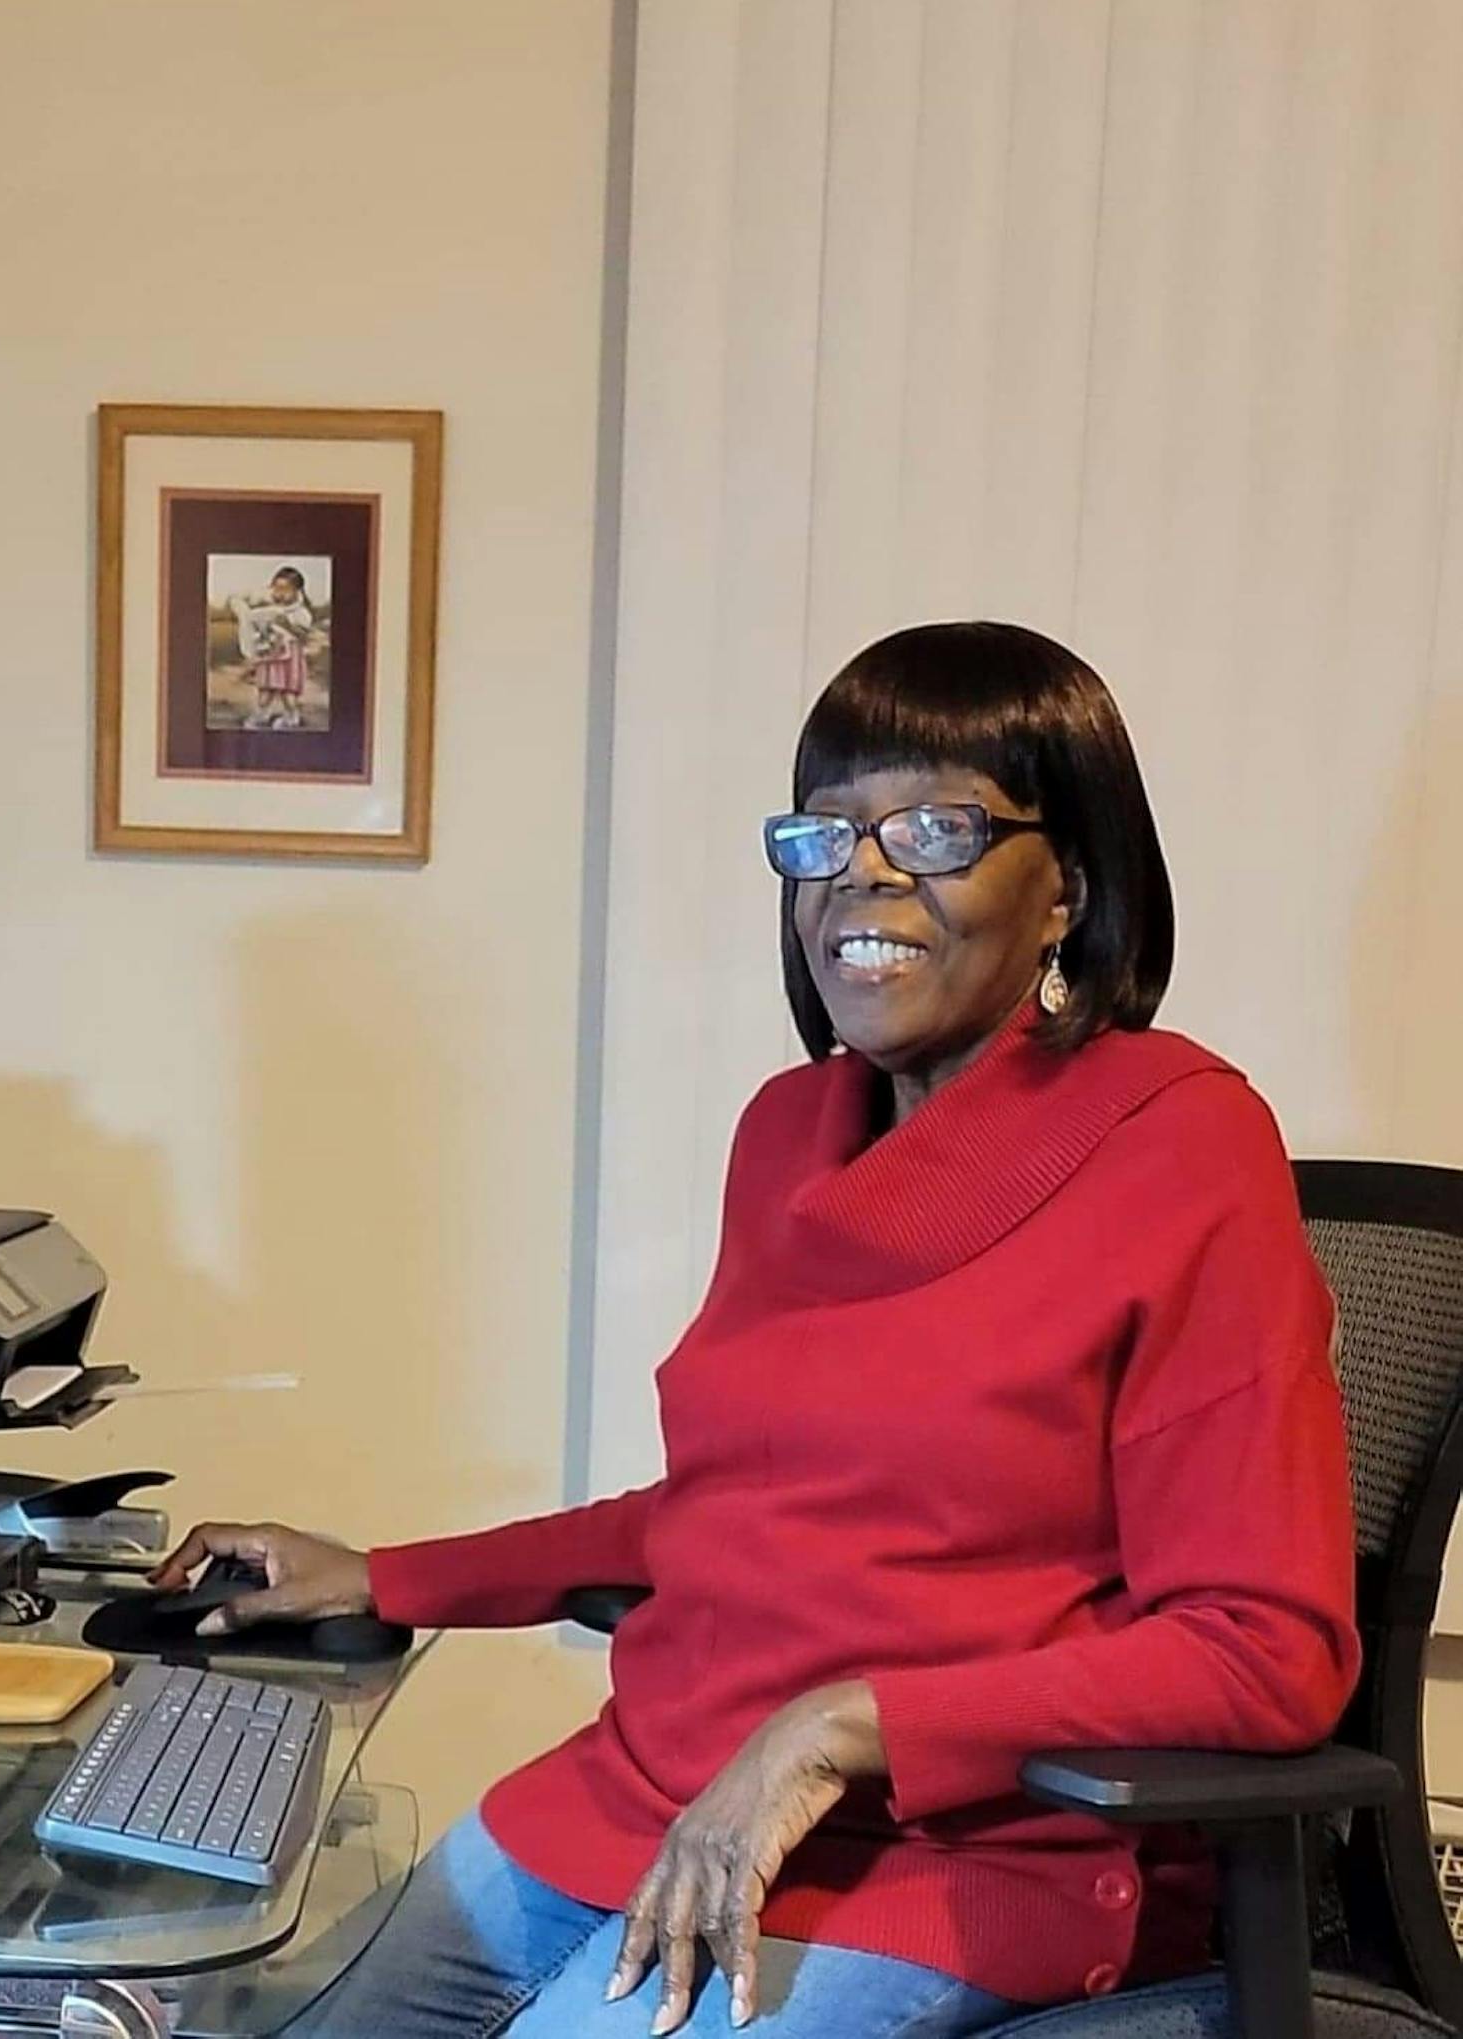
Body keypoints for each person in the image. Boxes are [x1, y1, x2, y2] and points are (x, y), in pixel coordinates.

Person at [153, 622, 1359, 2039]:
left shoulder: (1180, 1144)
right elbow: (729, 1508)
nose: (865, 868)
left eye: (936, 823)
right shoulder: (790, 1132)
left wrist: (843, 1723)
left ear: (1067, 887)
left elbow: (1264, 1646)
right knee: (263, 2022)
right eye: (827, 830)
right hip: (648, 1794)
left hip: (956, 1858)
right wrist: (395, 1572)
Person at [230, 566, 314, 729]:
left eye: (285, 589)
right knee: (265, 691)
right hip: (270, 656)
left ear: (297, 591)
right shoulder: (269, 609)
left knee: (288, 694)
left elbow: (303, 636)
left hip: (289, 658)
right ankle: (262, 714)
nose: (280, 593)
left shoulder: (300, 612)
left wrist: (287, 624)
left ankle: (291, 717)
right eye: (276, 589)